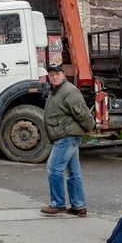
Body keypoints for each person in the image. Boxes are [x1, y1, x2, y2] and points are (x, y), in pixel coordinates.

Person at [41, 63, 95, 217]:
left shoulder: (69, 91)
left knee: (54, 168)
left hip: (67, 136)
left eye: (57, 74)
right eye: (51, 75)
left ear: (63, 74)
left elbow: (82, 113)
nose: (55, 77)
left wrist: (89, 127)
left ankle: (57, 204)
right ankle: (79, 207)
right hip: (65, 134)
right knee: (73, 172)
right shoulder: (55, 91)